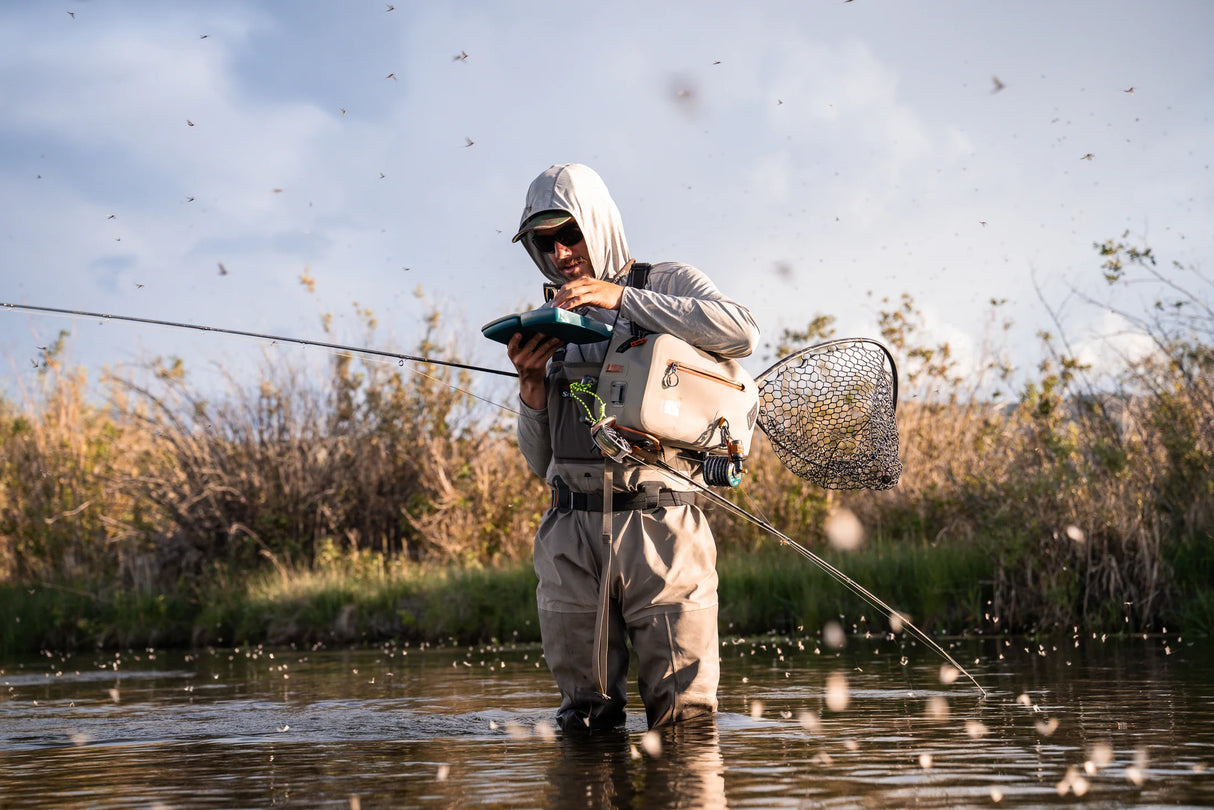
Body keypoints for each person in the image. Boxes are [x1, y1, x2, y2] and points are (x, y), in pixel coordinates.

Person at [505, 163, 760, 731]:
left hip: (662, 529)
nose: (560, 252)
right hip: (569, 534)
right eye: (543, 242)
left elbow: (741, 330)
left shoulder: (667, 281)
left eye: (568, 233)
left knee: (686, 724)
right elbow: (541, 464)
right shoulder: (549, 321)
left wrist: (622, 299)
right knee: (584, 722)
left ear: (596, 224)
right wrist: (530, 390)